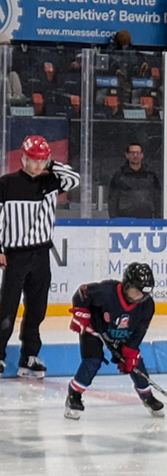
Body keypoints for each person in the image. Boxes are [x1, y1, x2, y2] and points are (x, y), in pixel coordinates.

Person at [0, 136, 80, 378]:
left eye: (41, 161)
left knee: (37, 307)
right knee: (7, 308)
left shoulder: (51, 181)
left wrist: (51, 164)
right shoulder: (7, 184)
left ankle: (30, 356)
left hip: (41, 253)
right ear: (23, 159)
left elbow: (74, 179)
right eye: (33, 160)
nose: (37, 165)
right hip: (15, 255)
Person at [64, 263, 164, 420]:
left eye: (143, 293)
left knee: (135, 363)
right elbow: (82, 293)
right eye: (136, 291)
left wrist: (131, 349)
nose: (139, 296)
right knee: (92, 361)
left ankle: (147, 396)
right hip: (95, 329)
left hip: (121, 336)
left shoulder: (147, 306)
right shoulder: (107, 291)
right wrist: (81, 313)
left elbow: (139, 331)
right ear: (126, 285)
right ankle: (74, 396)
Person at [108, 141, 160, 218]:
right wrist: (114, 220)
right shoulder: (119, 176)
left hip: (147, 219)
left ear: (142, 155)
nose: (135, 156)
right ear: (127, 155)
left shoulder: (150, 175)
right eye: (132, 153)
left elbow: (157, 199)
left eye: (138, 153)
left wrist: (158, 219)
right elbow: (113, 200)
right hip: (124, 220)